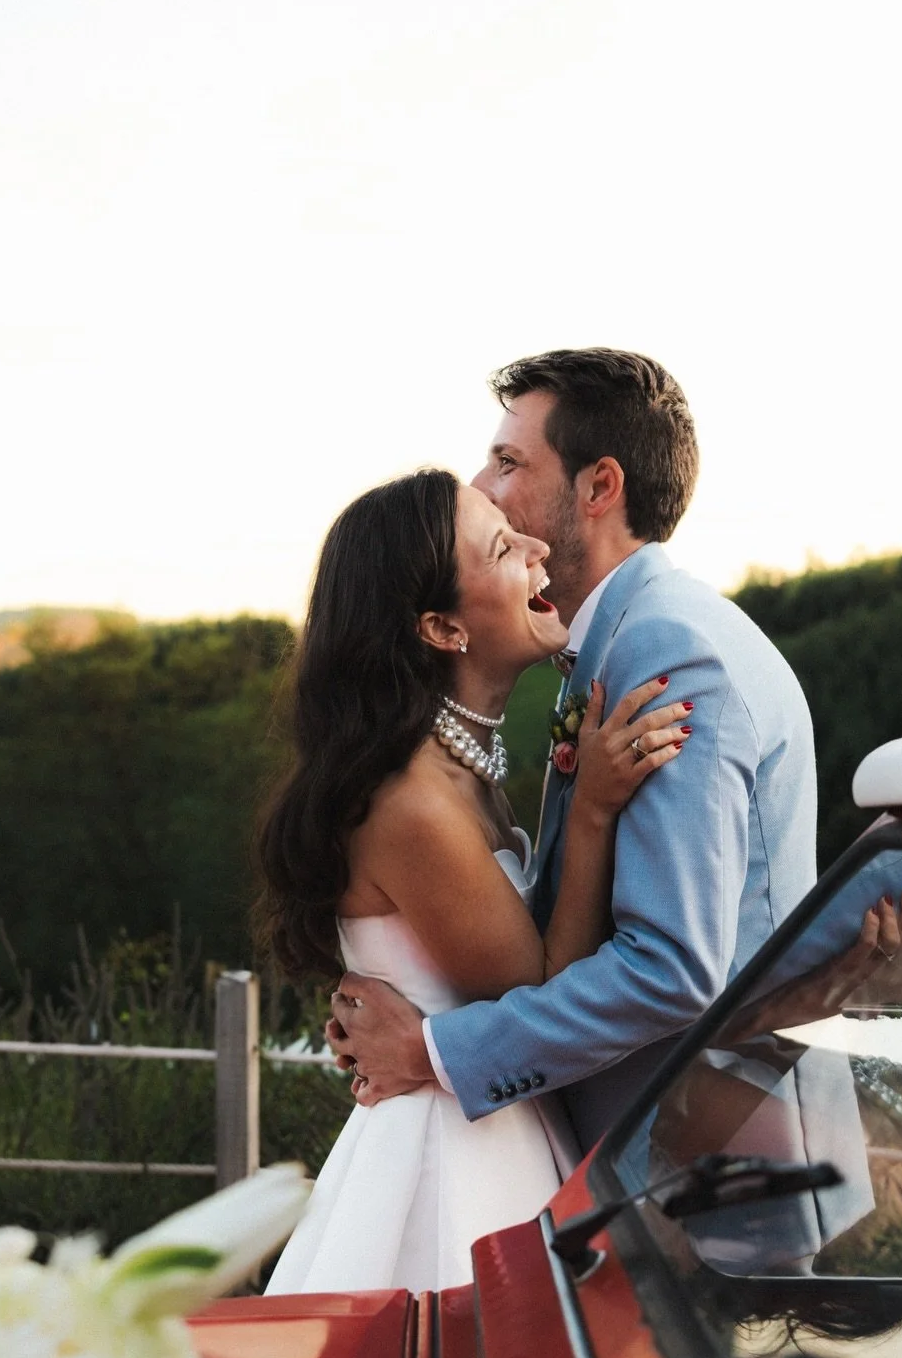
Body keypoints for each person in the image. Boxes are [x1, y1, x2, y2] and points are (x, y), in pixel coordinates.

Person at [328, 348, 818, 1152]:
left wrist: (432, 1048)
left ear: (599, 487)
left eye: (509, 460)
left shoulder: (665, 651)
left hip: (698, 1169)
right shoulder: (612, 647)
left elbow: (671, 968)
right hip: (643, 1162)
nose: (483, 485)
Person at [257, 467, 689, 1293]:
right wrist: (592, 810)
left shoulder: (453, 770)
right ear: (443, 627)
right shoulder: (412, 801)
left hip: (495, 1120)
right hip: (451, 1162)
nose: (536, 547)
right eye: (502, 546)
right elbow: (544, 984)